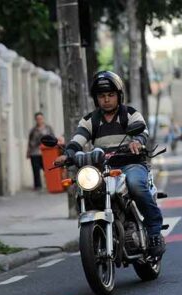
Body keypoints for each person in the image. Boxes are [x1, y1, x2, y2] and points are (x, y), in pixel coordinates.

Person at [54, 70, 165, 257]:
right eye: (102, 96)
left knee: (136, 185)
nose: (106, 99)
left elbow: (142, 132)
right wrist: (68, 154)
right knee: (86, 190)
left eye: (111, 95)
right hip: (103, 169)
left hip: (131, 165)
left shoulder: (129, 114)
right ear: (96, 98)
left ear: (118, 96)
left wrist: (137, 141)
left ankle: (154, 230)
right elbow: (78, 139)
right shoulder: (90, 120)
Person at [27, 112, 54, 190]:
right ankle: (38, 186)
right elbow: (30, 141)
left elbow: (53, 139)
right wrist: (28, 152)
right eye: (38, 119)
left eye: (41, 118)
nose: (39, 120)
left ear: (43, 119)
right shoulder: (33, 130)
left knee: (47, 169)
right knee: (35, 170)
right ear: (36, 120)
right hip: (34, 152)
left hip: (46, 152)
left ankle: (50, 185)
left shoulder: (48, 128)